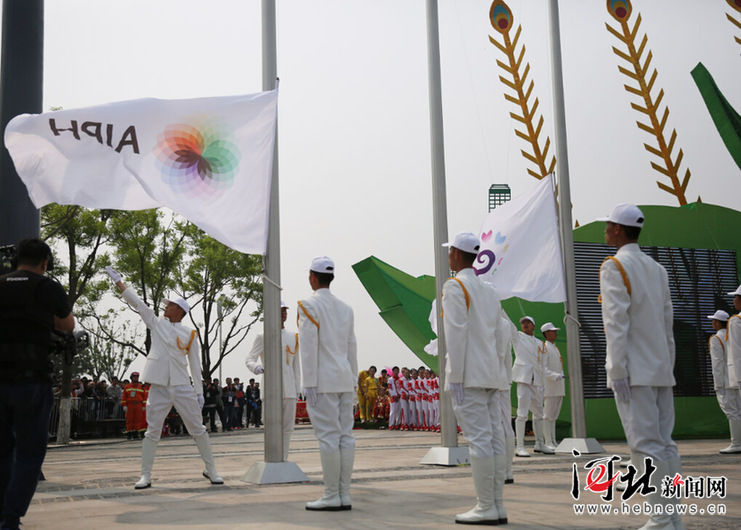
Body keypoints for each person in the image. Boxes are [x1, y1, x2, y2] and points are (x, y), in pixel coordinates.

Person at [598, 203, 683, 529]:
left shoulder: (615, 267)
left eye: (608, 224)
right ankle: (672, 517)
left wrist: (615, 369)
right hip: (660, 370)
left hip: (633, 372)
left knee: (644, 445)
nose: (605, 230)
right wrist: (667, 367)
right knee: (666, 443)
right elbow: (667, 325)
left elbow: (615, 323)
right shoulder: (656, 268)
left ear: (618, 229)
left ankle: (660, 519)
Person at [105, 266, 223, 489]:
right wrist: (120, 283)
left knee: (197, 428)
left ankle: (211, 469)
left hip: (181, 385)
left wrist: (198, 391)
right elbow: (138, 304)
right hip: (158, 385)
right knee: (152, 430)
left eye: (169, 305)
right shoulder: (157, 323)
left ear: (178, 310)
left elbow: (195, 364)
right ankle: (145, 475)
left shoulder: (190, 333)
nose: (165, 307)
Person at [0, 238, 75, 530]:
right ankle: (10, 519)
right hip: (32, 381)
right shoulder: (48, 287)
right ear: (46, 263)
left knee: (2, 451)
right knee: (30, 454)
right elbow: (66, 326)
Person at [441, 231, 508, 525]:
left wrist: (454, 376)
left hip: (468, 374)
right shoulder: (489, 290)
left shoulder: (455, 286)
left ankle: (485, 507)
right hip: (491, 373)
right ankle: (496, 505)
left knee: (479, 441)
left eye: (450, 251)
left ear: (457, 254)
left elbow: (456, 334)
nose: (448, 255)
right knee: (492, 440)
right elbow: (497, 335)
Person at [298, 256, 357, 511]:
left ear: (313, 276)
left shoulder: (308, 305)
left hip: (322, 380)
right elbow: (351, 346)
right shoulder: (345, 308)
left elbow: (309, 347)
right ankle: (343, 494)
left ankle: (332, 494)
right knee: (346, 437)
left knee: (328, 439)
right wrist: (353, 381)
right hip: (344, 379)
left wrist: (308, 382)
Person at [245, 300, 301, 460]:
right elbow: (249, 358)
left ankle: (284, 458)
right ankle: (271, 458)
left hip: (289, 389)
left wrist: (298, 389)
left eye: (285, 310)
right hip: (270, 388)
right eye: (280, 310)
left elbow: (297, 366)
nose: (283, 313)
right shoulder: (262, 336)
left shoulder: (294, 337)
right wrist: (255, 367)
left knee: (288, 427)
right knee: (271, 425)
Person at [510, 315, 550, 456]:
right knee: (522, 413)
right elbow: (509, 323)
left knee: (539, 413)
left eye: (528, 322)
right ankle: (520, 446)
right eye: (523, 323)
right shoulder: (518, 337)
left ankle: (540, 443)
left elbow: (543, 365)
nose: (525, 324)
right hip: (524, 380)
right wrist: (499, 308)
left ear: (533, 325)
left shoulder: (540, 343)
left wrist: (543, 384)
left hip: (537, 381)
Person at [706, 310, 741, 453]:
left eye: (714, 320)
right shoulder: (731, 336)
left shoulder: (716, 338)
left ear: (718, 322)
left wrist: (717, 384)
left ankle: (736, 443)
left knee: (731, 413)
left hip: (724, 383)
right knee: (738, 412)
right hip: (735, 379)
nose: (713, 322)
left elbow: (717, 364)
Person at [540, 323, 565, 452]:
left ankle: (553, 440)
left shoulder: (554, 347)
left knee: (554, 416)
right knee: (547, 415)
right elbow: (543, 369)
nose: (555, 333)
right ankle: (548, 441)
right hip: (550, 386)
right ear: (547, 333)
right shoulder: (545, 348)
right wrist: (555, 376)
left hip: (558, 386)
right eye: (552, 331)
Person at [725, 286, 741, 451]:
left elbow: (737, 352)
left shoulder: (736, 320)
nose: (734, 300)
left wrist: (737, 378)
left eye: (736, 297)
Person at [121, 372, 147, 439]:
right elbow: (124, 396)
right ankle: (129, 434)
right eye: (134, 376)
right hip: (130, 405)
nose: (136, 377)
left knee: (138, 420)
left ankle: (135, 434)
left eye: (137, 376)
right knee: (129, 420)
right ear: (131, 377)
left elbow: (144, 397)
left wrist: (144, 406)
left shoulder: (141, 386)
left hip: (138, 405)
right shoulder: (127, 386)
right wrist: (124, 405)